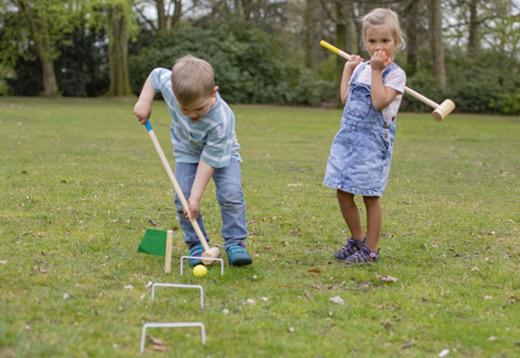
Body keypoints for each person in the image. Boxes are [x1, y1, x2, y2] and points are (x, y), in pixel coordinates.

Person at [133, 55, 252, 267]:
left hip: (221, 153)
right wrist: (144, 100)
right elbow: (156, 75)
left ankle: (235, 243)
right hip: (186, 150)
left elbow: (209, 161)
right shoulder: (172, 86)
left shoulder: (222, 119)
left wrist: (196, 197)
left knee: (230, 193)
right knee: (182, 198)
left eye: (199, 109)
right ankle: (196, 243)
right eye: (185, 110)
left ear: (213, 92)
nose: (192, 115)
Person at [323, 8, 406, 264]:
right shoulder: (363, 69)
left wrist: (377, 72)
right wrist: (348, 71)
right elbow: (347, 100)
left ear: (396, 42)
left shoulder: (395, 74)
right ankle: (357, 239)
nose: (378, 47)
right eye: (372, 41)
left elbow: (380, 102)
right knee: (342, 191)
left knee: (370, 195)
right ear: (365, 42)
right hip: (348, 139)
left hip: (372, 144)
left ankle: (370, 249)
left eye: (385, 41)